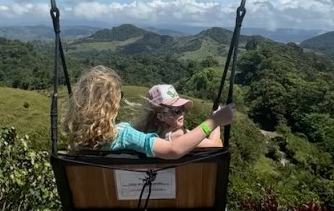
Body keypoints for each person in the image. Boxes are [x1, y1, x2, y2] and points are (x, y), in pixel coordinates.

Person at [64, 66, 233, 160]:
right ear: (111, 104)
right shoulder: (123, 134)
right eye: (119, 95)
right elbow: (173, 150)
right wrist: (214, 121)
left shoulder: (76, 141)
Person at [133, 83, 225, 148]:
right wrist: (215, 120)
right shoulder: (178, 134)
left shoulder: (150, 134)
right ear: (160, 116)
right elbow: (214, 145)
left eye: (182, 108)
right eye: (176, 111)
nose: (182, 113)